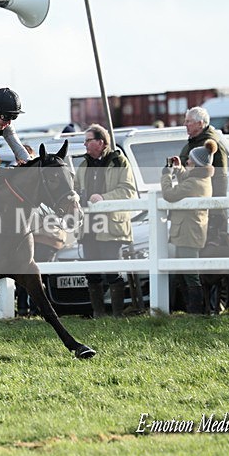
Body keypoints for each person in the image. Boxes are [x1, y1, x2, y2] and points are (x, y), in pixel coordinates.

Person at [75, 124, 137, 317]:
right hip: (88, 226)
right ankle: (98, 314)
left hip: (111, 226)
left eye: (88, 140)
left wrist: (103, 198)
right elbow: (76, 189)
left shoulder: (119, 162)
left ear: (101, 142)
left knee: (112, 272)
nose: (85, 144)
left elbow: (129, 191)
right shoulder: (83, 165)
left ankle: (117, 315)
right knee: (91, 274)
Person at [161, 140, 217, 314]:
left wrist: (166, 174)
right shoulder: (202, 179)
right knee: (184, 273)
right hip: (189, 232)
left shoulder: (194, 183)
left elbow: (169, 194)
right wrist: (178, 170)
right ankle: (192, 310)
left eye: (190, 161)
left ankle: (196, 312)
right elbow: (188, 178)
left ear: (197, 164)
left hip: (187, 233)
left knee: (190, 276)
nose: (187, 162)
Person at [179, 106, 228, 245]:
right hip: (197, 206)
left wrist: (216, 210)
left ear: (200, 123)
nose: (185, 124)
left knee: (211, 249)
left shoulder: (210, 145)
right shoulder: (193, 143)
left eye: (188, 121)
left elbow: (220, 179)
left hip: (208, 210)